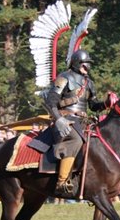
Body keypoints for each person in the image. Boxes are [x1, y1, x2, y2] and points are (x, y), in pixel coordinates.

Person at [44, 49, 116, 195]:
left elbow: (93, 105)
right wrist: (59, 120)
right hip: (65, 119)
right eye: (85, 65)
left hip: (83, 121)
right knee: (75, 139)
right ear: (77, 63)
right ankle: (62, 182)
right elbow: (50, 101)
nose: (87, 68)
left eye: (88, 65)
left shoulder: (88, 83)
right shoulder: (64, 77)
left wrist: (106, 103)